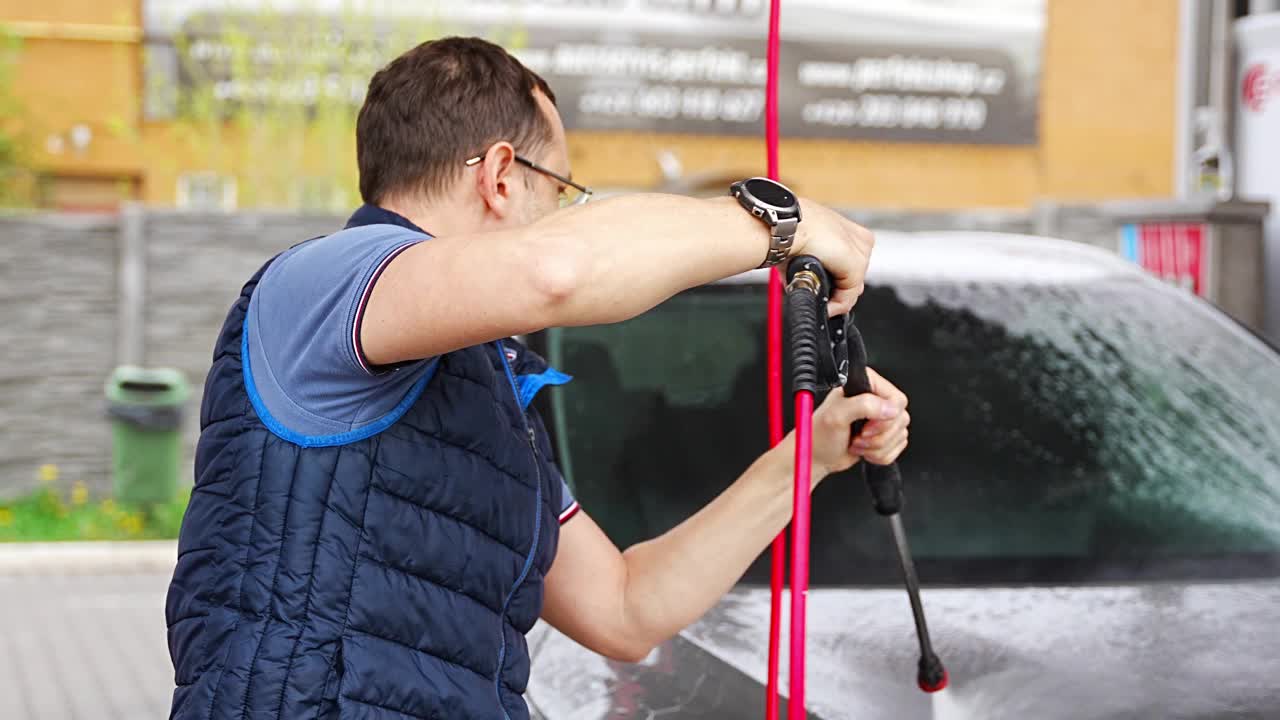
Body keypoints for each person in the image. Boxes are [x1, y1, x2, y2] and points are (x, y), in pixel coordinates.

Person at [165, 36, 911, 720]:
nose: (561, 214)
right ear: (498, 176)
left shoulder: (483, 389)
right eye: (560, 190)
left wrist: (807, 457)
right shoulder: (324, 281)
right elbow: (558, 270)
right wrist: (784, 221)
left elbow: (624, 609)